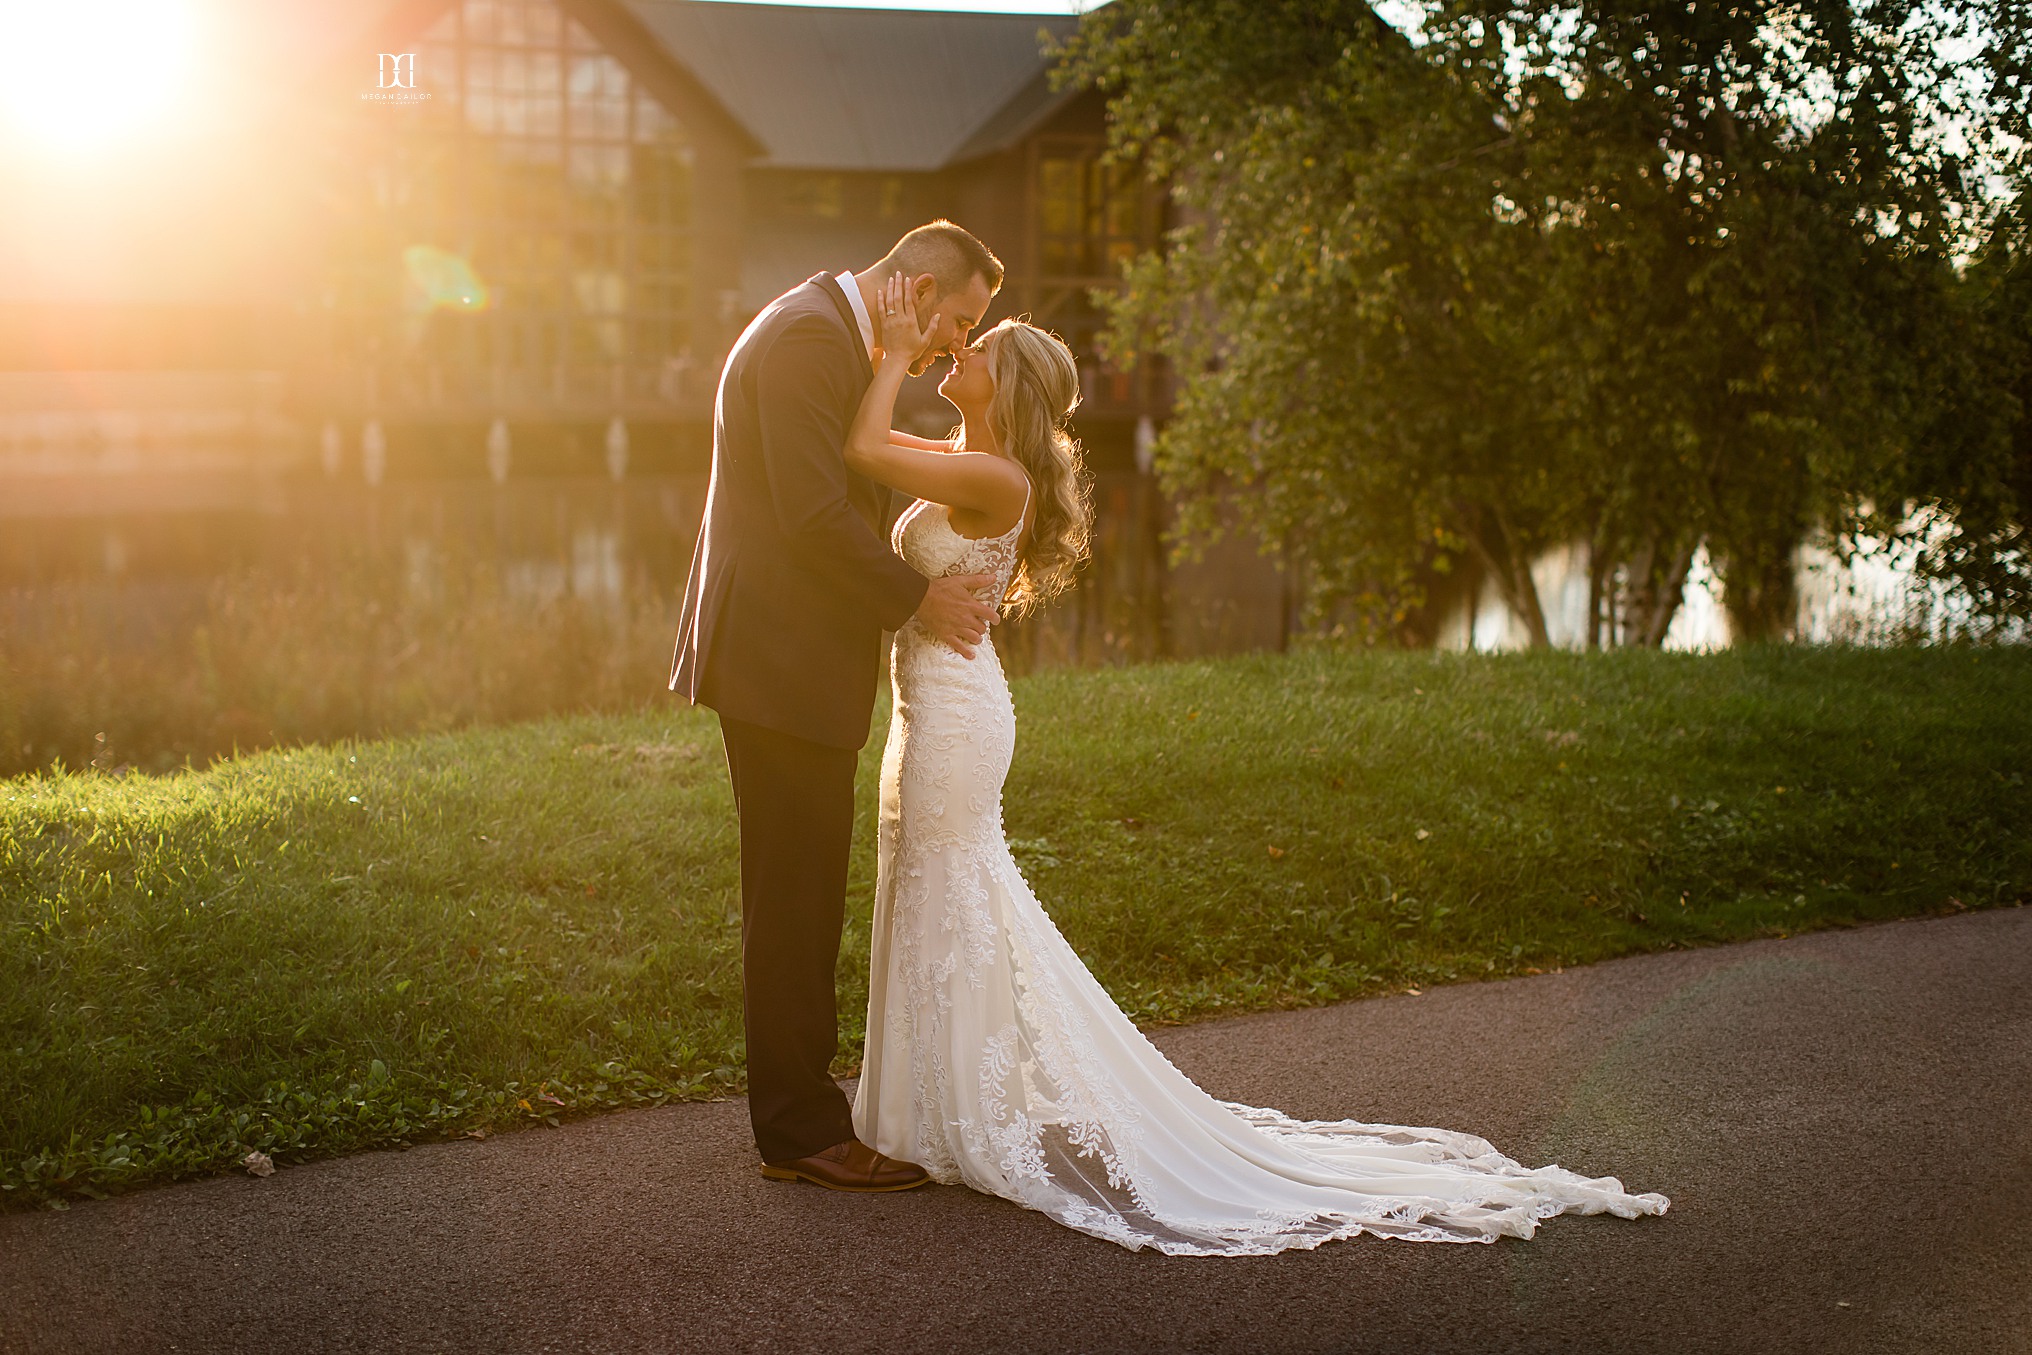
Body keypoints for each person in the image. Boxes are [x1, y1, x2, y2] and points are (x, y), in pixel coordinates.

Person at [836, 274, 1673, 1254]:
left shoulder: (993, 479)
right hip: (934, 704)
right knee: (931, 886)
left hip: (956, 717)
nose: (958, 352)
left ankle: (954, 1113)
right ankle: (929, 1105)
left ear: (1003, 387)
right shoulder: (965, 458)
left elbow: (858, 448)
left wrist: (892, 344)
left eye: (977, 350)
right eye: (957, 342)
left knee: (953, 889)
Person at [670, 221, 1005, 1192]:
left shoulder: (836, 334)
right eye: (962, 318)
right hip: (777, 658)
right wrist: (918, 597)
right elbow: (810, 511)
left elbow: (859, 466)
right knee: (794, 894)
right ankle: (800, 1129)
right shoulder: (810, 340)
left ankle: (804, 1110)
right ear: (918, 285)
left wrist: (909, 370)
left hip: (789, 654)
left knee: (802, 885)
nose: (960, 341)